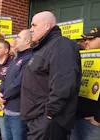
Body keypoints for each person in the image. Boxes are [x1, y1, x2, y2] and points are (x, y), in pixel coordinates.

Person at [20, 11, 81, 140]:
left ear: (47, 26)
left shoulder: (61, 45)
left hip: (48, 120)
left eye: (34, 25)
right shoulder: (44, 47)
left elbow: (63, 83)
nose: (30, 30)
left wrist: (50, 113)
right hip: (37, 117)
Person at [0, 30, 32, 140]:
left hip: (18, 112)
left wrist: (4, 96)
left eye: (19, 37)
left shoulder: (29, 58)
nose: (15, 40)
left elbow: (19, 83)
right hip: (7, 110)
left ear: (27, 41)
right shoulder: (15, 60)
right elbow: (5, 79)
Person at [71, 27, 100, 140]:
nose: (86, 42)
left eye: (92, 39)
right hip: (76, 116)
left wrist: (97, 119)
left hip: (92, 122)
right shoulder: (81, 57)